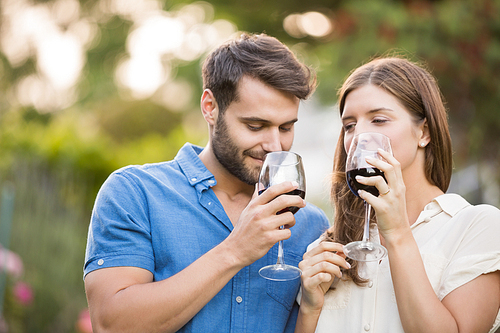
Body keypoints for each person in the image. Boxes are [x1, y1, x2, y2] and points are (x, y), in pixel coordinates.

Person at [83, 33, 330, 333]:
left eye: (286, 127)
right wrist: (235, 251)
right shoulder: (135, 193)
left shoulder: (310, 224)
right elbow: (112, 325)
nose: (275, 145)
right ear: (210, 107)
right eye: (255, 125)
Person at [295, 56, 500, 333]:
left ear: (423, 132)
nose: (359, 136)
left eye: (379, 120)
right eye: (350, 125)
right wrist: (309, 307)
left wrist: (398, 233)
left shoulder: (476, 226)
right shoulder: (330, 244)